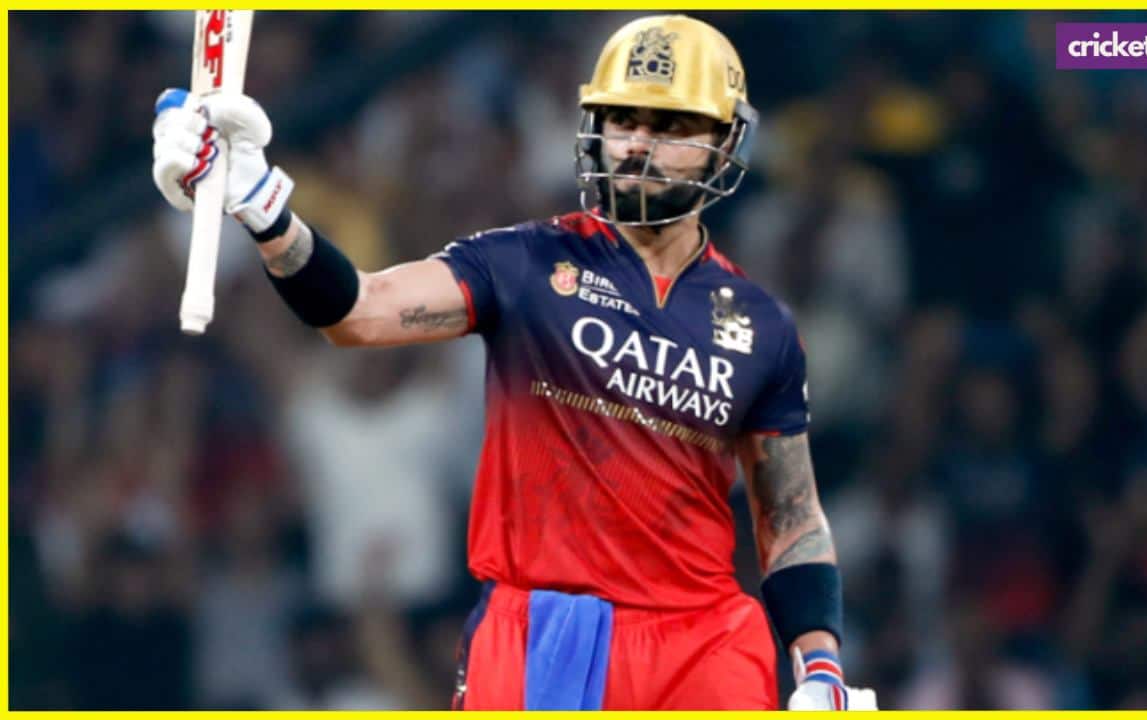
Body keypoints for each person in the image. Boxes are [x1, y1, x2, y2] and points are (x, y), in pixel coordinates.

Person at [152, 14, 875, 711]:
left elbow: (791, 515)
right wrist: (262, 207)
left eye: (670, 126)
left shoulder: (762, 325)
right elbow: (358, 311)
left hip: (703, 642)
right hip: (540, 634)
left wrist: (819, 663)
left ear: (724, 143)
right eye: (624, 120)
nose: (638, 145)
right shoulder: (524, 262)